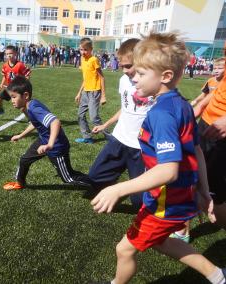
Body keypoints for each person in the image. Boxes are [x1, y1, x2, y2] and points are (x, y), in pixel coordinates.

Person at [90, 32, 225, 284]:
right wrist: (205, 190)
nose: (135, 79)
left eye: (141, 73)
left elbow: (168, 171)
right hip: (175, 196)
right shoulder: (182, 104)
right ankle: (217, 275)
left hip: (165, 201)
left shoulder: (161, 114)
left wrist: (117, 189)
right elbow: (195, 151)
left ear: (165, 76)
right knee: (161, 242)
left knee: (124, 249)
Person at [89, 38, 154, 209]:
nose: (124, 70)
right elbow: (126, 108)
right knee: (95, 177)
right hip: (119, 139)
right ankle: (115, 190)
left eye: (128, 66)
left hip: (141, 147)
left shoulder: (154, 86)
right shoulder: (124, 81)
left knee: (139, 202)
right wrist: (106, 125)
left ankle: (124, 190)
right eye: (121, 65)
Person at [2, 76, 92, 191]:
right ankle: (20, 183)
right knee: (24, 160)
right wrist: (21, 135)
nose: (12, 101)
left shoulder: (34, 108)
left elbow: (55, 122)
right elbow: (36, 123)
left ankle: (99, 184)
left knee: (68, 178)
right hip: (43, 141)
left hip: (56, 146)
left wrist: (49, 145)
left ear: (25, 96)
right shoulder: (30, 105)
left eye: (14, 97)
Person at [195, 42, 226, 230]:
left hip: (222, 129)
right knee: (192, 172)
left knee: (216, 189)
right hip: (207, 122)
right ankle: (183, 228)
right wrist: (202, 104)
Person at [75, 37, 106, 144]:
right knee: (80, 115)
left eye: (85, 50)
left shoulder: (94, 60)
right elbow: (85, 78)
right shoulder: (82, 59)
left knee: (93, 118)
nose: (83, 52)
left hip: (94, 92)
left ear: (91, 49)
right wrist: (79, 93)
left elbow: (102, 77)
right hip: (85, 92)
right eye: (81, 49)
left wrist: (103, 96)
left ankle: (109, 136)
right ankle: (87, 137)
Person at [0, 45, 31, 116]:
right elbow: (4, 76)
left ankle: (30, 119)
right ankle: (1, 110)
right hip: (9, 88)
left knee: (22, 107)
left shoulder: (20, 65)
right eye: (7, 54)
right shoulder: (5, 65)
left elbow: (27, 74)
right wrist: (1, 85)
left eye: (11, 53)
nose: (9, 55)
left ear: (15, 54)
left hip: (18, 89)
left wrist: (23, 85)